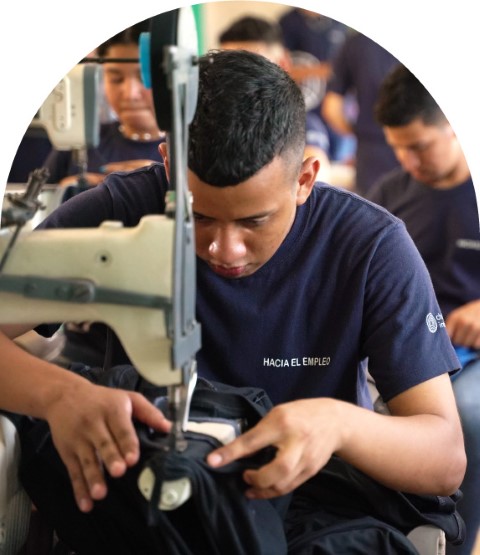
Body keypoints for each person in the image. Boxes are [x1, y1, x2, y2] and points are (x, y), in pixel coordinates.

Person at [0, 50, 466, 550]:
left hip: (305, 502)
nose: (224, 249)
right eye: (198, 217)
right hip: (155, 494)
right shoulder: (123, 210)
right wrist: (59, 394)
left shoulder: (371, 247)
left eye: (254, 221)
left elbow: (444, 460)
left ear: (305, 179)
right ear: (168, 167)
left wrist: (341, 425)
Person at [367, 65, 480, 555]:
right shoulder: (391, 195)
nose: (407, 160)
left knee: (468, 418)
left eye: (418, 146)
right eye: (397, 148)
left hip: (469, 355)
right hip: (404, 344)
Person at [44, 18, 165, 187]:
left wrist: (162, 180)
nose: (130, 94)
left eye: (144, 77)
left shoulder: (196, 149)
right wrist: (63, 194)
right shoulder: (78, 142)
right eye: (116, 79)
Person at [218, 15, 331, 182]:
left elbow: (319, 175)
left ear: (283, 63)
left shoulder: (302, 123)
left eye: (252, 66)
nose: (238, 77)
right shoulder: (209, 119)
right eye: (228, 65)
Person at [322, 31, 401, 196]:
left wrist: (358, 133)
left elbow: (331, 107)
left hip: (371, 150)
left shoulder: (356, 42)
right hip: (425, 145)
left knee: (374, 216)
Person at [278, 7, 355, 162]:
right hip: (303, 110)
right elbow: (280, 69)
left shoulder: (338, 23)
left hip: (337, 109)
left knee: (338, 162)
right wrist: (322, 70)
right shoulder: (288, 23)